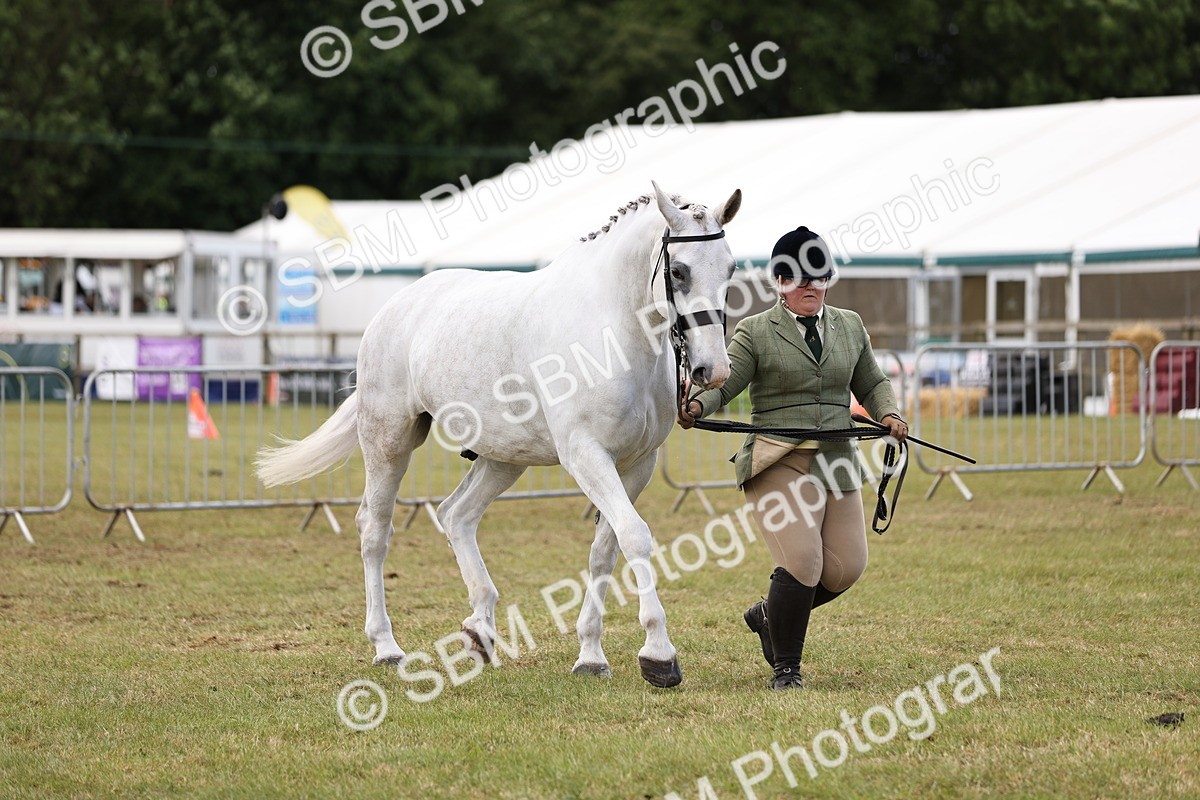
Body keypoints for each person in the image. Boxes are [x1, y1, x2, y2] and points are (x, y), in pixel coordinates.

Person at [677, 225, 907, 690]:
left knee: (846, 568)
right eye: (799, 279)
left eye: (818, 278)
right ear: (780, 282)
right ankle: (787, 668)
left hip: (837, 458)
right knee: (804, 563)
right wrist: (698, 404)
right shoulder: (756, 331)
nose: (810, 287)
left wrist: (889, 412)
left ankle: (770, 614)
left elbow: (872, 381)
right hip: (777, 459)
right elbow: (729, 380)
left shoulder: (850, 325)